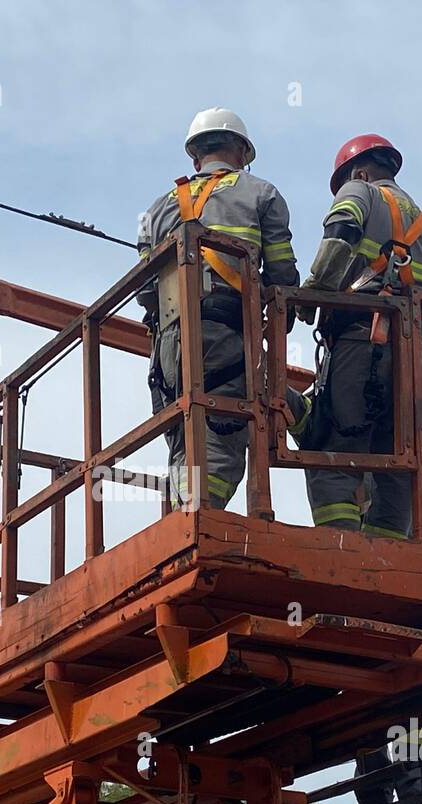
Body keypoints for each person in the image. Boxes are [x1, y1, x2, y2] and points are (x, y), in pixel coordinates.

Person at [291, 134, 422, 536]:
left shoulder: (359, 190)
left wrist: (312, 293)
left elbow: (341, 233)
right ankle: (387, 552)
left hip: (365, 343)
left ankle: (341, 544)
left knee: (334, 445)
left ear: (361, 172)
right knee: (400, 455)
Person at [137, 107, 298, 510]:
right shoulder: (261, 194)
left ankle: (183, 516)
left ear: (195, 157)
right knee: (222, 433)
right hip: (225, 335)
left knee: (183, 433)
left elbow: (144, 291)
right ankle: (200, 519)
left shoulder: (157, 209)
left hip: (168, 345)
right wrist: (286, 315)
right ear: (243, 152)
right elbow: (280, 273)